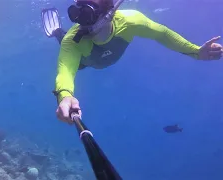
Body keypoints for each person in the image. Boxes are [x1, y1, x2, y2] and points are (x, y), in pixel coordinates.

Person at [41, 0, 223, 124]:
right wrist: (65, 96)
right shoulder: (73, 41)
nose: (82, 22)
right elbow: (65, 71)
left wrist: (196, 51)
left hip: (100, 56)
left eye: (87, 13)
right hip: (86, 61)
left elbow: (163, 34)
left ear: (109, 11)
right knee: (76, 60)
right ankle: (58, 32)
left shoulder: (131, 20)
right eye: (76, 14)